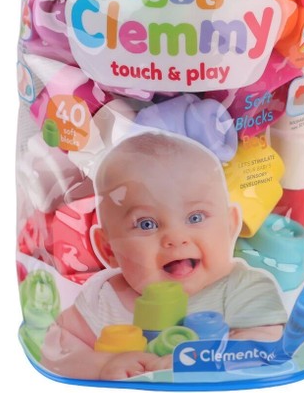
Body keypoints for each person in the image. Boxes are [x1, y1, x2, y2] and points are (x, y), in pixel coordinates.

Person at [41, 131, 287, 380]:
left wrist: (201, 360)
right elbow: (54, 349)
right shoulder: (104, 299)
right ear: (108, 249)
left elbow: (269, 345)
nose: (176, 238)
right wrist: (103, 364)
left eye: (195, 217)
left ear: (231, 225)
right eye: (146, 224)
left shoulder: (244, 288)